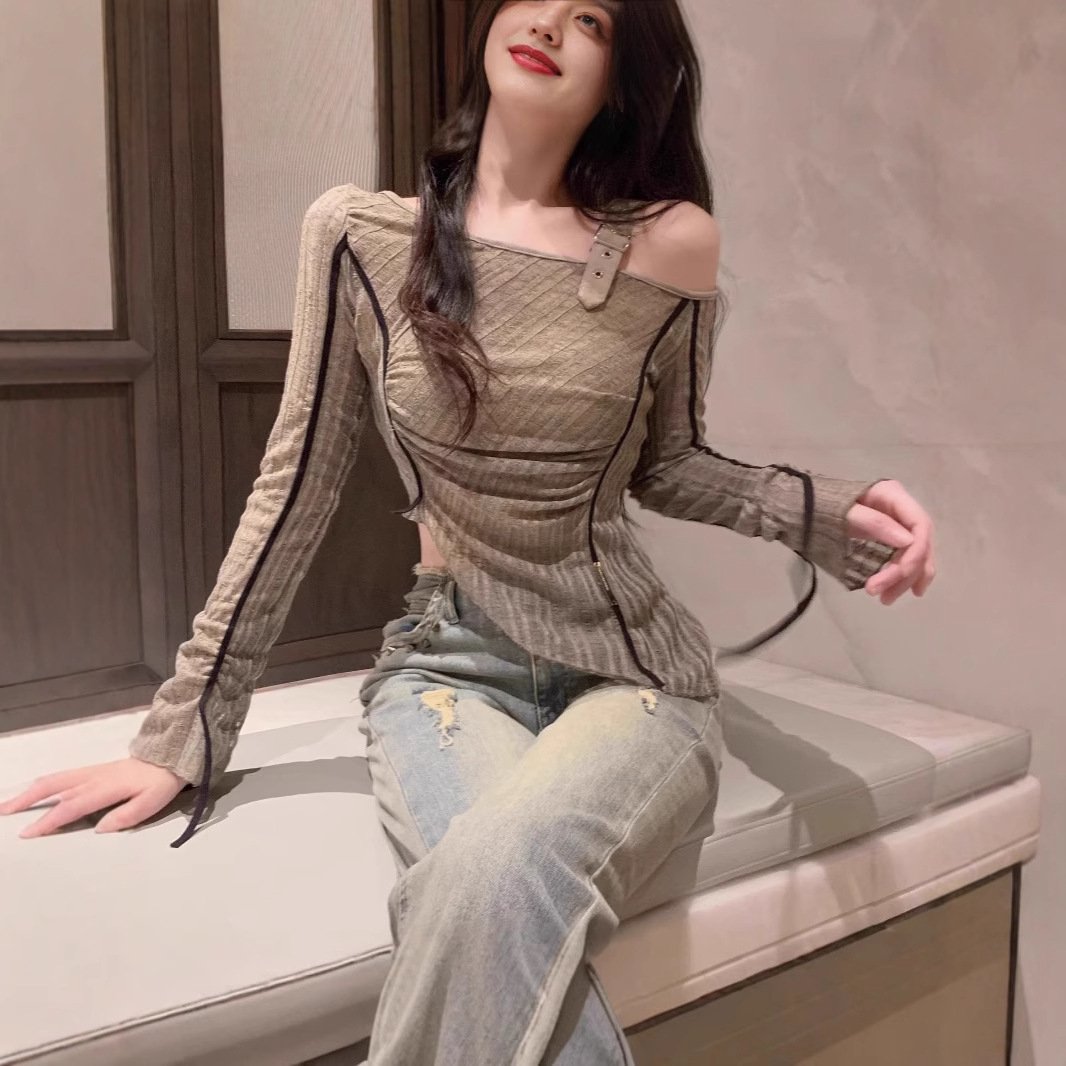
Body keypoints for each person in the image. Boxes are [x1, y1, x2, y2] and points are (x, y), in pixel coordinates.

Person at [2, 1, 935, 1062]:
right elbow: (293, 487)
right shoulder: (360, 235)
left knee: (492, 875)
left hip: (632, 673)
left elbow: (670, 464)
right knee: (492, 887)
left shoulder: (671, 243)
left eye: (592, 17)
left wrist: (821, 512)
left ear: (624, 71)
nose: (551, 22)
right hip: (447, 667)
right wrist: (185, 730)